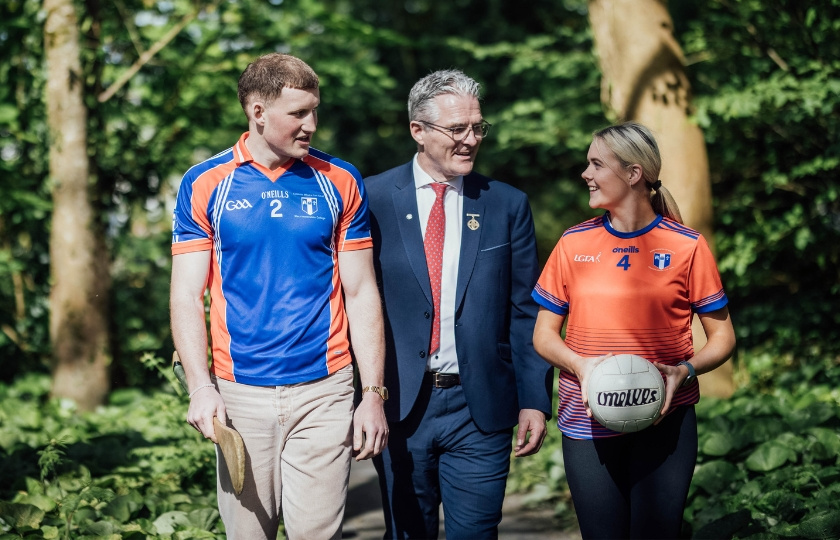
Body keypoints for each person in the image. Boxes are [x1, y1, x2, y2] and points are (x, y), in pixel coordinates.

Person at [169, 53, 388, 540]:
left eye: (315, 111)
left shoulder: (341, 181)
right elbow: (186, 295)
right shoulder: (205, 183)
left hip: (326, 389)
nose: (311, 125)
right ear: (257, 111)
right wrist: (200, 388)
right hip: (239, 392)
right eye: (298, 113)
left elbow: (361, 290)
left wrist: (372, 392)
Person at [364, 69, 553, 539]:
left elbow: (524, 310)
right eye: (457, 129)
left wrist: (534, 399)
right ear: (418, 131)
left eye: (477, 127)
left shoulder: (506, 205)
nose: (471, 139)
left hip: (480, 407)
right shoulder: (370, 199)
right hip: (399, 406)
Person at [532, 122, 736, 539]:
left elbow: (723, 338)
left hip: (666, 421)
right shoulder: (573, 244)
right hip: (587, 424)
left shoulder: (686, 245)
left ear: (633, 173)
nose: (585, 173)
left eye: (595, 164)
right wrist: (581, 365)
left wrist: (685, 370)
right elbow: (544, 336)